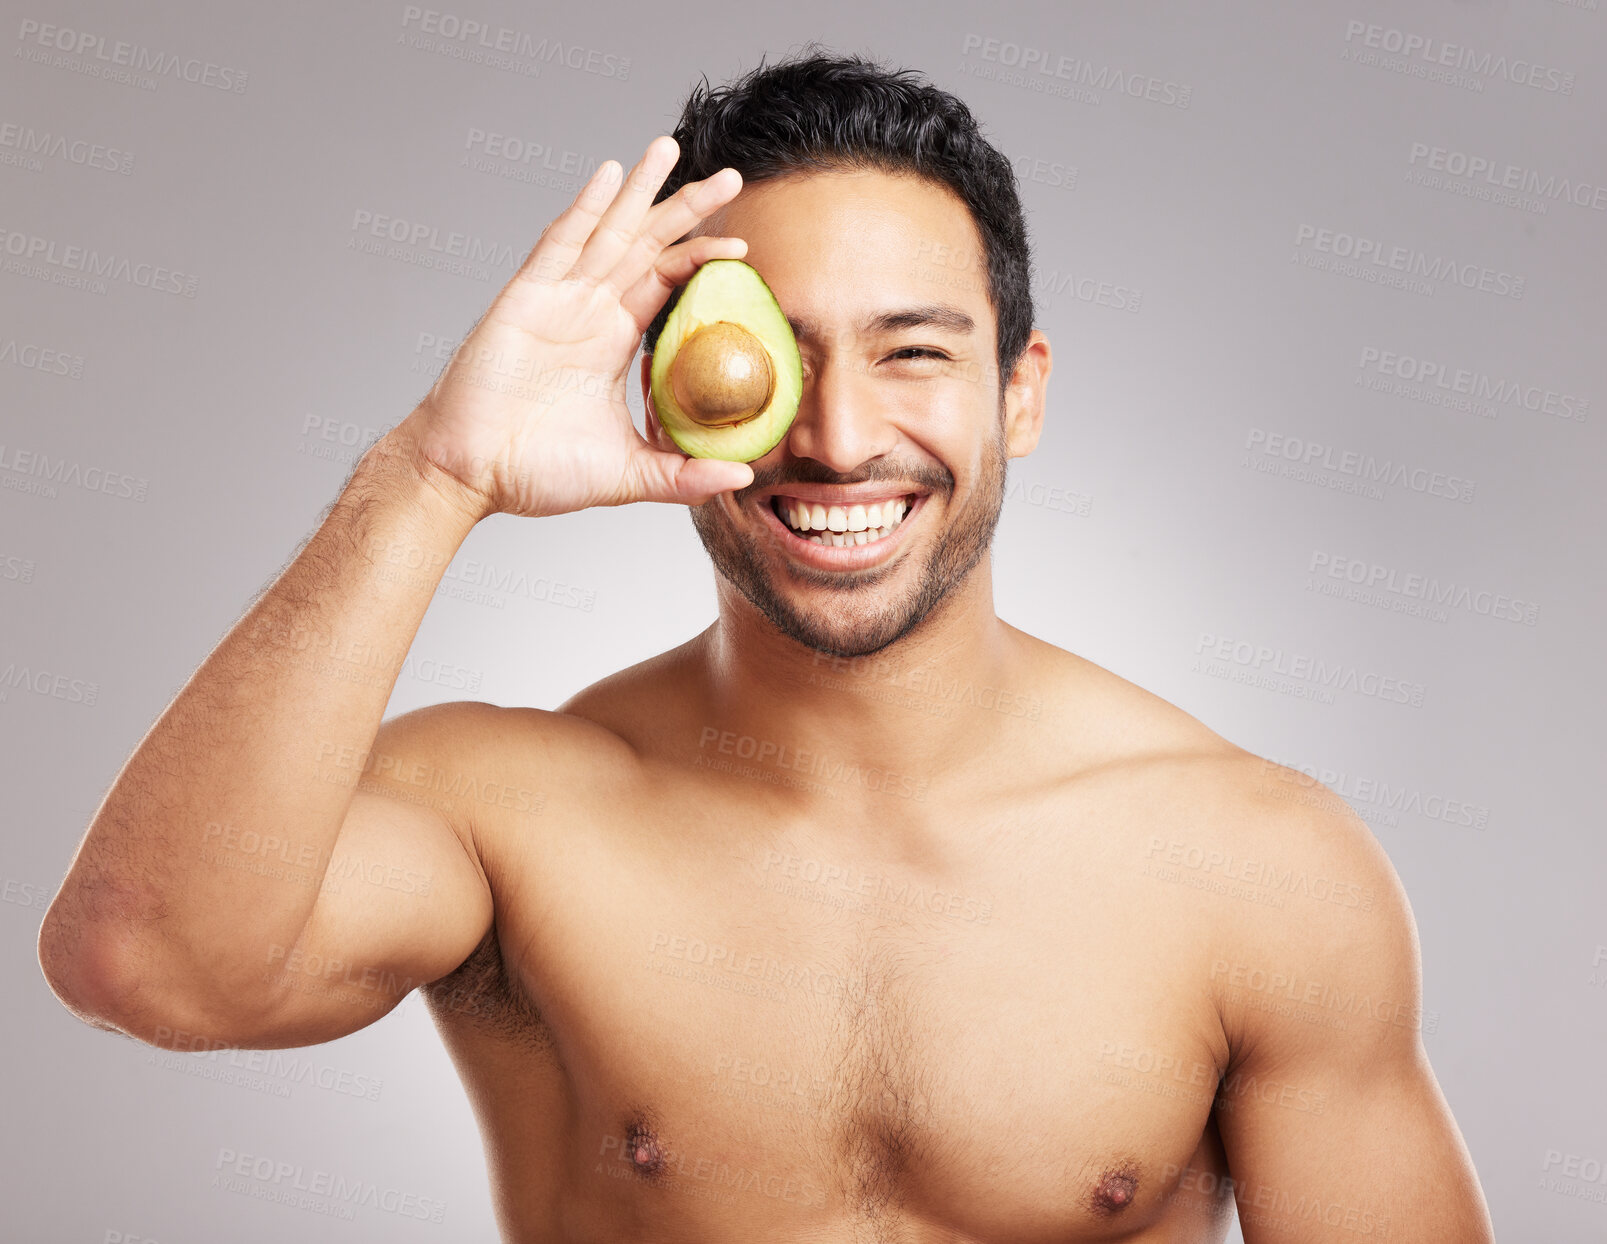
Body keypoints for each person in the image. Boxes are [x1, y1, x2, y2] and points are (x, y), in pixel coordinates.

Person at [38, 50, 1496, 1243]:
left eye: (913, 350)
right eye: (767, 357)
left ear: (1021, 394)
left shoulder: (1261, 865)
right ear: (668, 397)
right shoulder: (510, 820)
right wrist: (435, 473)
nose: (841, 439)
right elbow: (143, 961)